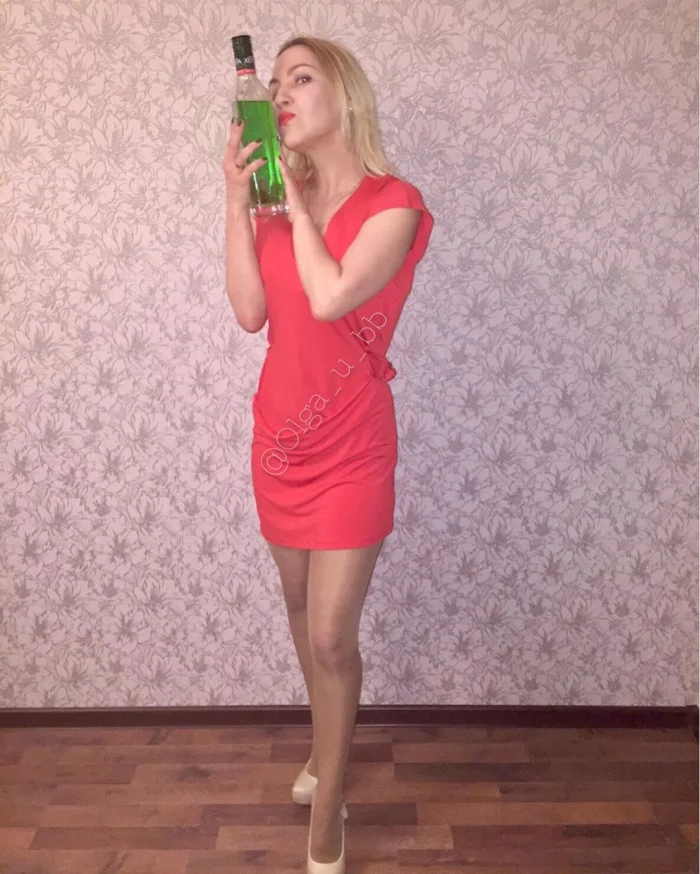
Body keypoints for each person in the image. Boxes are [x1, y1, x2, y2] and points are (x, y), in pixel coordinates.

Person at [222, 34, 434, 874]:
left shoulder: (395, 204)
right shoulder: (276, 200)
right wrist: (238, 198)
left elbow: (331, 293)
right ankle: (323, 747)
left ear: (344, 95)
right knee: (296, 606)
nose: (279, 93)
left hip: (352, 448)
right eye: (273, 82)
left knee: (331, 634)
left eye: (299, 78)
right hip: (279, 440)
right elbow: (250, 312)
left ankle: (329, 807)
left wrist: (295, 206)